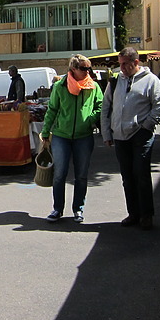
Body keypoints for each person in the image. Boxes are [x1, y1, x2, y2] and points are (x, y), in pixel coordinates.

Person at [100, 47, 160, 230]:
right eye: (119, 64)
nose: (121, 68)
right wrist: (107, 133)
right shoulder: (115, 82)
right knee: (127, 177)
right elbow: (106, 108)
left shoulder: (151, 80)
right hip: (120, 136)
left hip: (140, 135)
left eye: (124, 64)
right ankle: (133, 213)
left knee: (141, 175)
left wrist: (147, 126)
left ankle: (146, 214)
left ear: (136, 63)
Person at [40, 55, 103, 223]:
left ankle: (78, 209)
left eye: (88, 68)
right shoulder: (60, 87)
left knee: (81, 175)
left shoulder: (93, 86)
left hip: (84, 136)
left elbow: (100, 106)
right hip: (62, 136)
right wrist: (45, 132)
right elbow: (52, 109)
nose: (87, 71)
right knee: (59, 174)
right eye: (83, 68)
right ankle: (57, 209)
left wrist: (90, 119)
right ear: (73, 69)